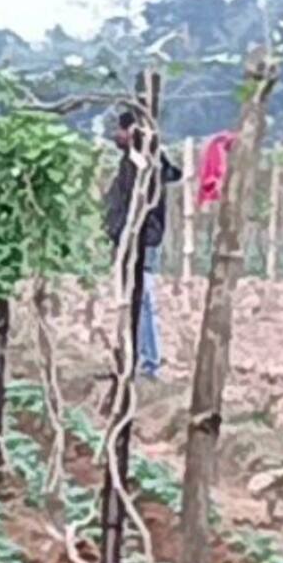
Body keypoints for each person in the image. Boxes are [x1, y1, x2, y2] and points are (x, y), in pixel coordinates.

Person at [102, 110, 182, 380]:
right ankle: (134, 359)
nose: (116, 135)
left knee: (143, 297)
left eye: (120, 130)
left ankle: (149, 362)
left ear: (132, 131)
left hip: (145, 239)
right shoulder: (130, 161)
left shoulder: (149, 162)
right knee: (132, 298)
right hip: (130, 240)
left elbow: (167, 175)